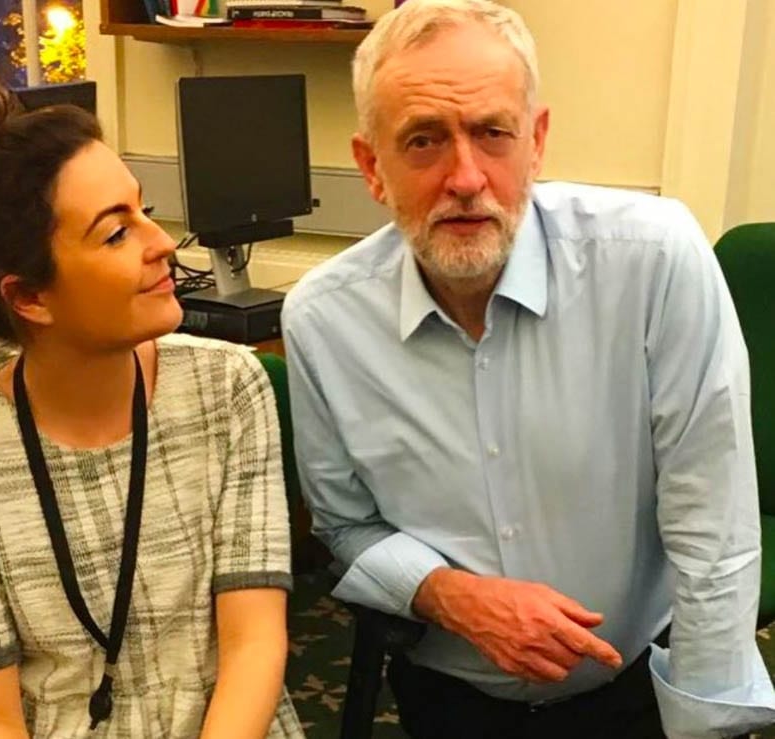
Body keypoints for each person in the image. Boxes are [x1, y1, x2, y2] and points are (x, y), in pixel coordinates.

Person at [281, 0, 775, 737]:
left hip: (637, 686)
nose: (465, 177)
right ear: (371, 167)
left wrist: (705, 720)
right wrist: (449, 595)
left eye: (492, 133)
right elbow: (346, 524)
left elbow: (711, 518)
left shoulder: (652, 260)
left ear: (536, 142)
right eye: (423, 140)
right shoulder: (323, 320)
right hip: (449, 695)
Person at [0, 64, 303, 739]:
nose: (162, 245)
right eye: (116, 232)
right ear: (29, 296)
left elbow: (253, 645)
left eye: (143, 211)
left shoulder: (228, 389)